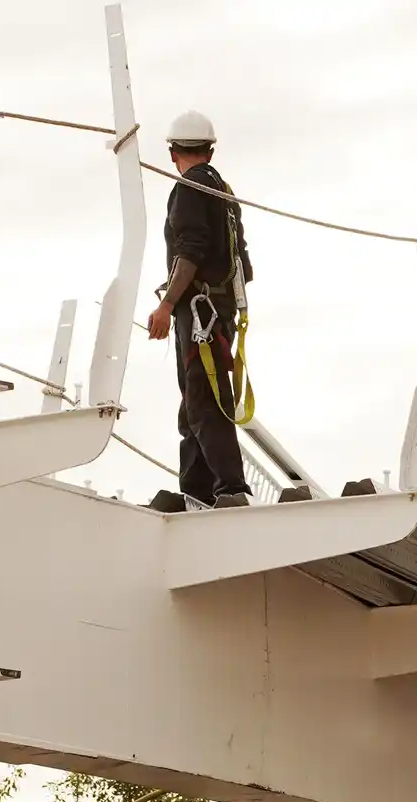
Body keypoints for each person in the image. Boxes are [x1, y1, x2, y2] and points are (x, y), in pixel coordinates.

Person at [145, 110, 254, 511]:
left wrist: (168, 303)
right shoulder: (223, 191)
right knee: (195, 402)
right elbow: (239, 259)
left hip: (199, 313)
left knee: (204, 402)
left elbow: (190, 251)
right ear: (209, 149)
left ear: (174, 152)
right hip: (216, 310)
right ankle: (197, 491)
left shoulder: (189, 188)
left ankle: (230, 489)